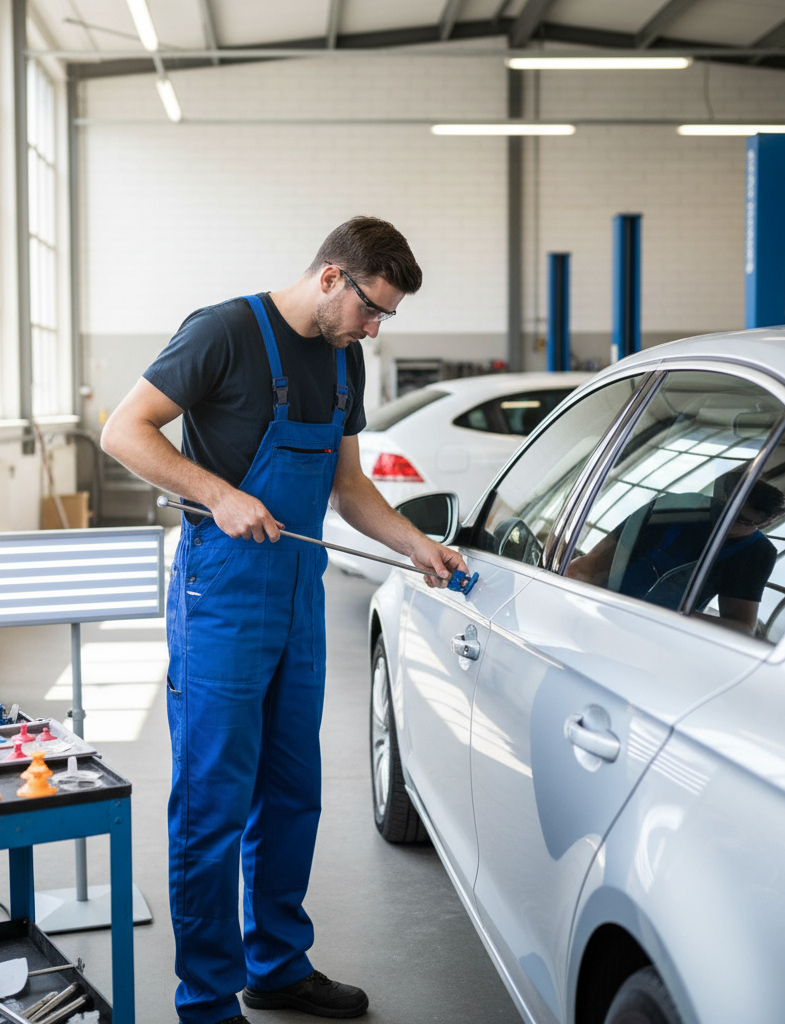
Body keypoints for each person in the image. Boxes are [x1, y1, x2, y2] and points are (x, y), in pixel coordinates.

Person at [100, 216, 468, 1024]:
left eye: (386, 316)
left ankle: (275, 964)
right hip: (223, 598)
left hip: (300, 594)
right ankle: (206, 998)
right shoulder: (224, 332)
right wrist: (218, 494)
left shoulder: (344, 359)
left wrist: (416, 546)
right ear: (331, 277)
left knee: (293, 790)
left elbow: (349, 486)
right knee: (214, 798)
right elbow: (122, 430)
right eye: (371, 308)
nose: (374, 329)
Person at [566, 473, 785, 634]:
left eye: (740, 521)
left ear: (765, 523)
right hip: (598, 612)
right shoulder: (671, 508)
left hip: (661, 637)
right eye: (724, 510)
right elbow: (592, 565)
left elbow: (741, 627)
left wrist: (677, 615)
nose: (725, 522)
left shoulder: (757, 554)